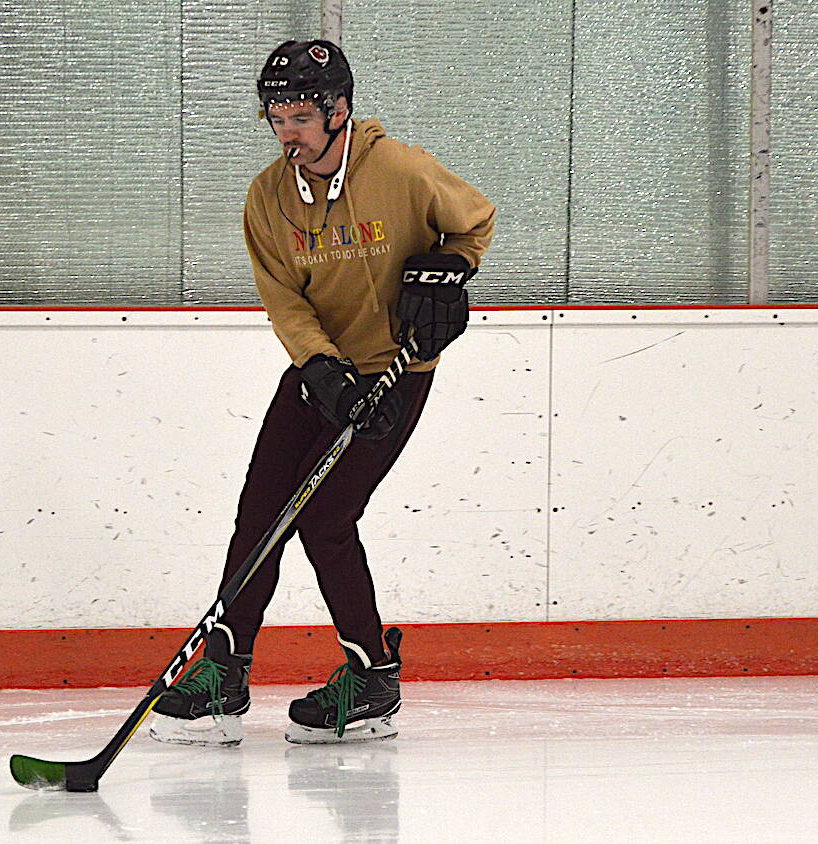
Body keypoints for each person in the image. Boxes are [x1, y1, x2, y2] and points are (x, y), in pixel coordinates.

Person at [149, 39, 495, 746]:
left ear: (339, 110)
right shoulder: (269, 197)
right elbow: (284, 298)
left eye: (301, 116)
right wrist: (317, 366)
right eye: (276, 117)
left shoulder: (398, 169)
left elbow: (476, 220)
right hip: (320, 374)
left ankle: (371, 678)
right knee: (259, 517)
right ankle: (225, 672)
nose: (288, 133)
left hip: (396, 374)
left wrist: (447, 270)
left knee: (327, 520)